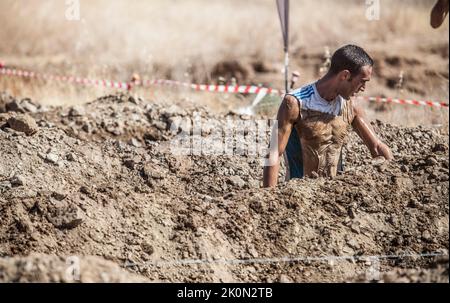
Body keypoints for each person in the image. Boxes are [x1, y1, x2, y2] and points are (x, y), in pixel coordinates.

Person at [263, 44, 393, 187]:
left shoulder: (351, 106)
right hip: (299, 198)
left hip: (333, 197)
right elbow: (274, 152)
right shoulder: (295, 103)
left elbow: (377, 147)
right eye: (362, 81)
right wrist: (269, 198)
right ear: (345, 75)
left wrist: (396, 177)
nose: (364, 88)